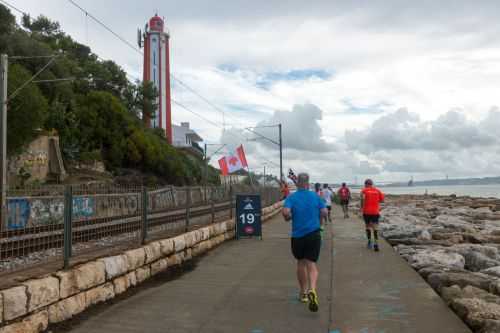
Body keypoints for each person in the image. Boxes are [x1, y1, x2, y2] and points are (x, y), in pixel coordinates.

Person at [282, 173, 327, 312]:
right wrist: (320, 219)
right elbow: (324, 211)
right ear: (308, 183)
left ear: (297, 183)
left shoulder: (292, 197)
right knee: (312, 265)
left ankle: (303, 293)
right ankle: (312, 289)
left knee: (301, 263)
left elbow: (285, 213)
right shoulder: (315, 196)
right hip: (314, 234)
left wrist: (289, 217)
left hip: (298, 236)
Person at [360, 179, 385, 252]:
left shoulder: (363, 191)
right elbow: (382, 200)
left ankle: (369, 242)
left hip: (366, 212)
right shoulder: (378, 191)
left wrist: (361, 208)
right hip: (375, 212)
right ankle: (376, 244)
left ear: (365, 184)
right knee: (375, 227)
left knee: (367, 226)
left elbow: (362, 200)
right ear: (372, 184)